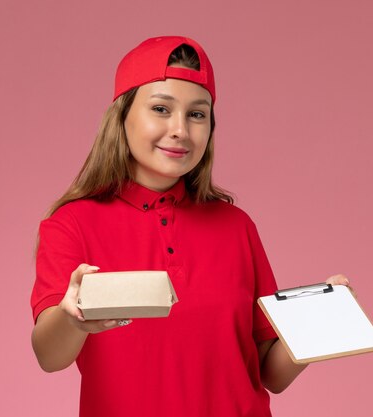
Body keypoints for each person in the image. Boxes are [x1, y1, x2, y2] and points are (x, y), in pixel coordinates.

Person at [30, 35, 351, 417]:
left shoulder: (237, 227)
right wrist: (72, 317)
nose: (181, 129)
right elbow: (49, 357)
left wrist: (320, 320)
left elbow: (270, 374)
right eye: (161, 109)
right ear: (121, 117)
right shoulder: (70, 224)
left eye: (197, 114)